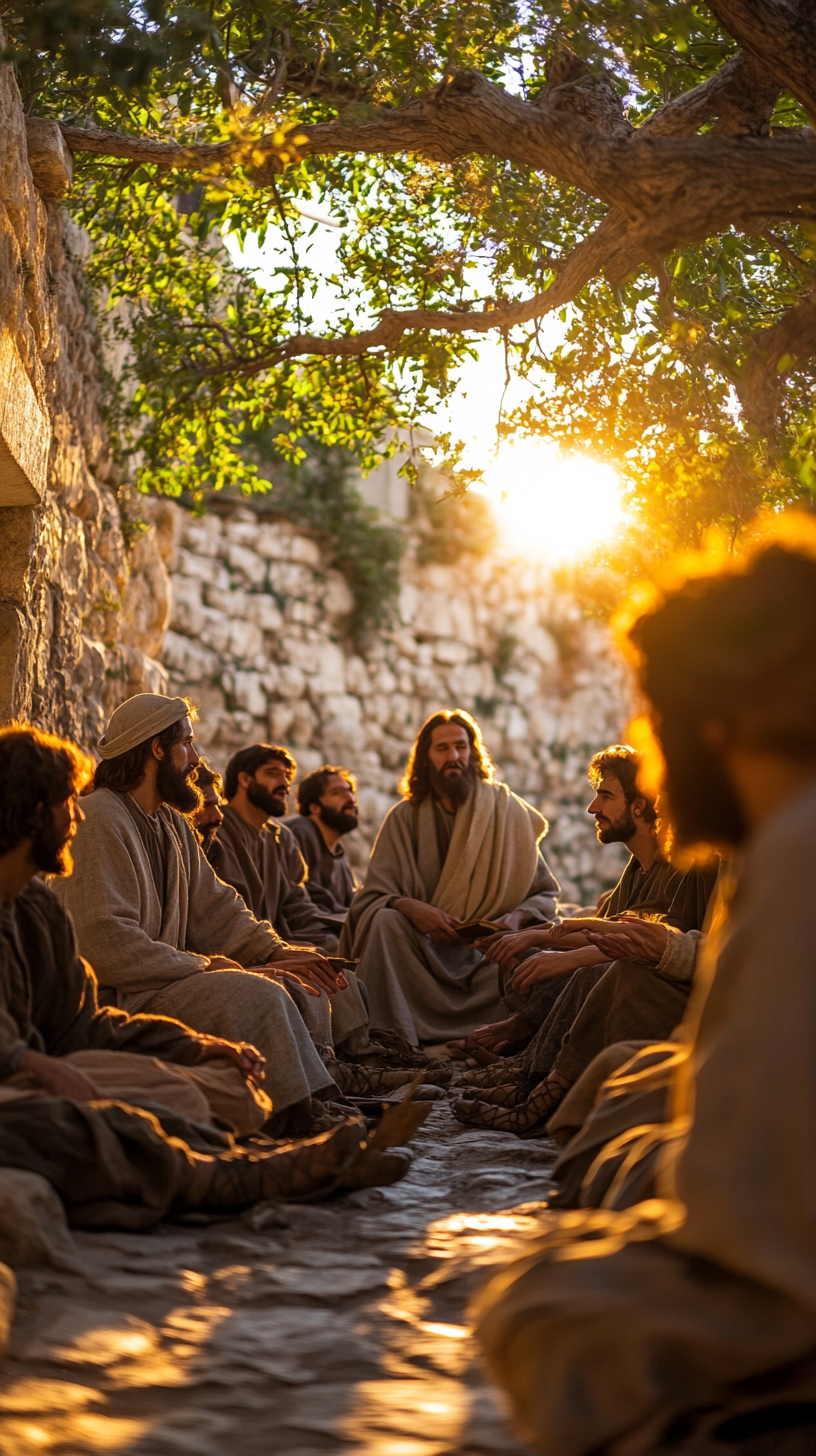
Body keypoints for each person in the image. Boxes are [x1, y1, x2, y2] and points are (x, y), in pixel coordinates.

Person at [476, 517, 816, 1455]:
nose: (648, 755)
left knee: (546, 1316)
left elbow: (756, 1204)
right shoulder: (768, 845)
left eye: (654, 720)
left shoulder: (794, 851)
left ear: (723, 718)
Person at [0, 725, 411, 1216]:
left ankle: (257, 1148)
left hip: (63, 1052)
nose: (77, 814)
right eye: (68, 801)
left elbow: (80, 1022)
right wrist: (35, 1066)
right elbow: (106, 943)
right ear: (32, 811)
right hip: (100, 1014)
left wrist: (198, 1044)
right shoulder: (105, 817)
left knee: (219, 1088)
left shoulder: (39, 907)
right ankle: (237, 1170)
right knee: (86, 1118)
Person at [53, 694, 357, 1133]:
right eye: (188, 744)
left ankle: (322, 1094)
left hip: (168, 980)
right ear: (158, 749)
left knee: (299, 983)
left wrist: (276, 953)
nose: (195, 759)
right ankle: (295, 1119)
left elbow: (217, 907)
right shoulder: (99, 817)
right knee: (258, 995)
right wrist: (201, 965)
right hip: (124, 997)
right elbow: (101, 940)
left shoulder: (172, 823)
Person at [341, 710, 559, 1046]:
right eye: (442, 749)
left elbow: (543, 892)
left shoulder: (505, 812)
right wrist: (409, 905)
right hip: (422, 952)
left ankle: (496, 1035)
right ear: (425, 758)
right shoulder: (403, 818)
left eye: (460, 746)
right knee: (384, 920)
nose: (453, 756)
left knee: (532, 956)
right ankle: (391, 1037)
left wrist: (516, 918)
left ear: (473, 753)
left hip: (486, 953)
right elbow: (371, 896)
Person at [210, 744, 369, 1053]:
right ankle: (344, 1060)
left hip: (279, 939)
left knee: (331, 954)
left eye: (286, 776)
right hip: (237, 944)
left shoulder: (281, 837)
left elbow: (297, 905)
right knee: (314, 960)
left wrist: (345, 929)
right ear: (244, 779)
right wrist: (283, 949)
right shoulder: (218, 829)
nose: (283, 784)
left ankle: (359, 1051)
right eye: (272, 774)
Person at [287, 764, 360, 919]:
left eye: (350, 791)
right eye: (336, 793)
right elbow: (300, 895)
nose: (350, 799)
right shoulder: (301, 831)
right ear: (314, 807)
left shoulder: (338, 850)